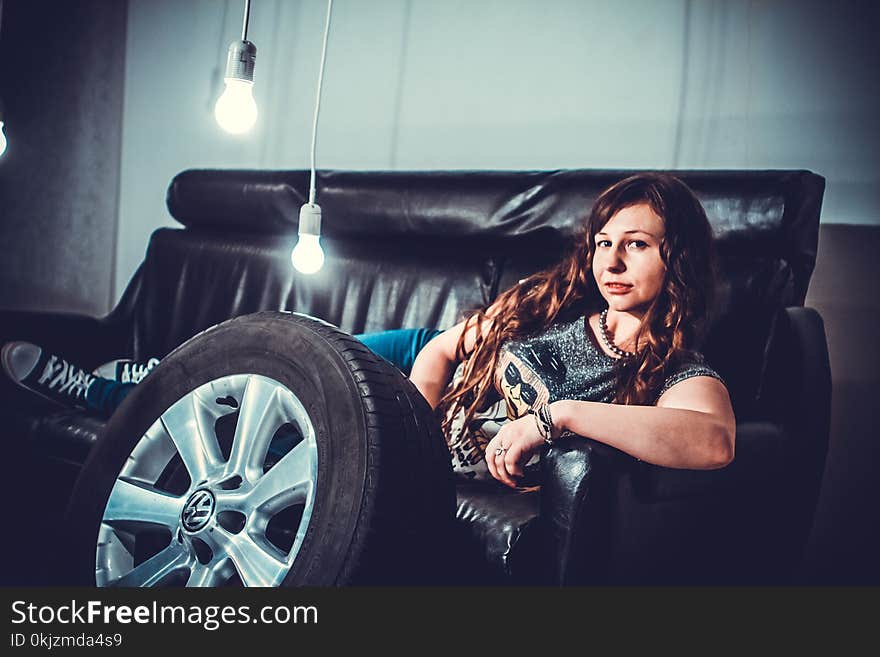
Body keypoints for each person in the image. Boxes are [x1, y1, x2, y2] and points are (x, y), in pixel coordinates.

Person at [2, 172, 735, 489]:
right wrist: (413, 423)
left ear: (677, 257)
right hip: (414, 369)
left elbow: (713, 440)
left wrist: (560, 415)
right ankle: (107, 386)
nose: (611, 259)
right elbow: (448, 348)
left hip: (429, 431)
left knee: (258, 428)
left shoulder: (675, 370)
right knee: (260, 363)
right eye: (604, 241)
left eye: (636, 243)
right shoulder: (554, 302)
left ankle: (123, 387)